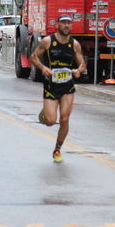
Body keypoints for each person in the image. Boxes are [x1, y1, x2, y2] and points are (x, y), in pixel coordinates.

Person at [31, 15, 86, 163]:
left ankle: (57, 149)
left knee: (64, 119)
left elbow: (82, 64)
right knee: (50, 121)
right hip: (51, 86)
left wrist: (78, 71)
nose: (66, 25)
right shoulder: (48, 41)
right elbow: (34, 57)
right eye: (63, 23)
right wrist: (43, 68)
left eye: (69, 23)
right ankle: (46, 113)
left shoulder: (75, 44)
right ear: (57, 25)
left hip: (67, 86)